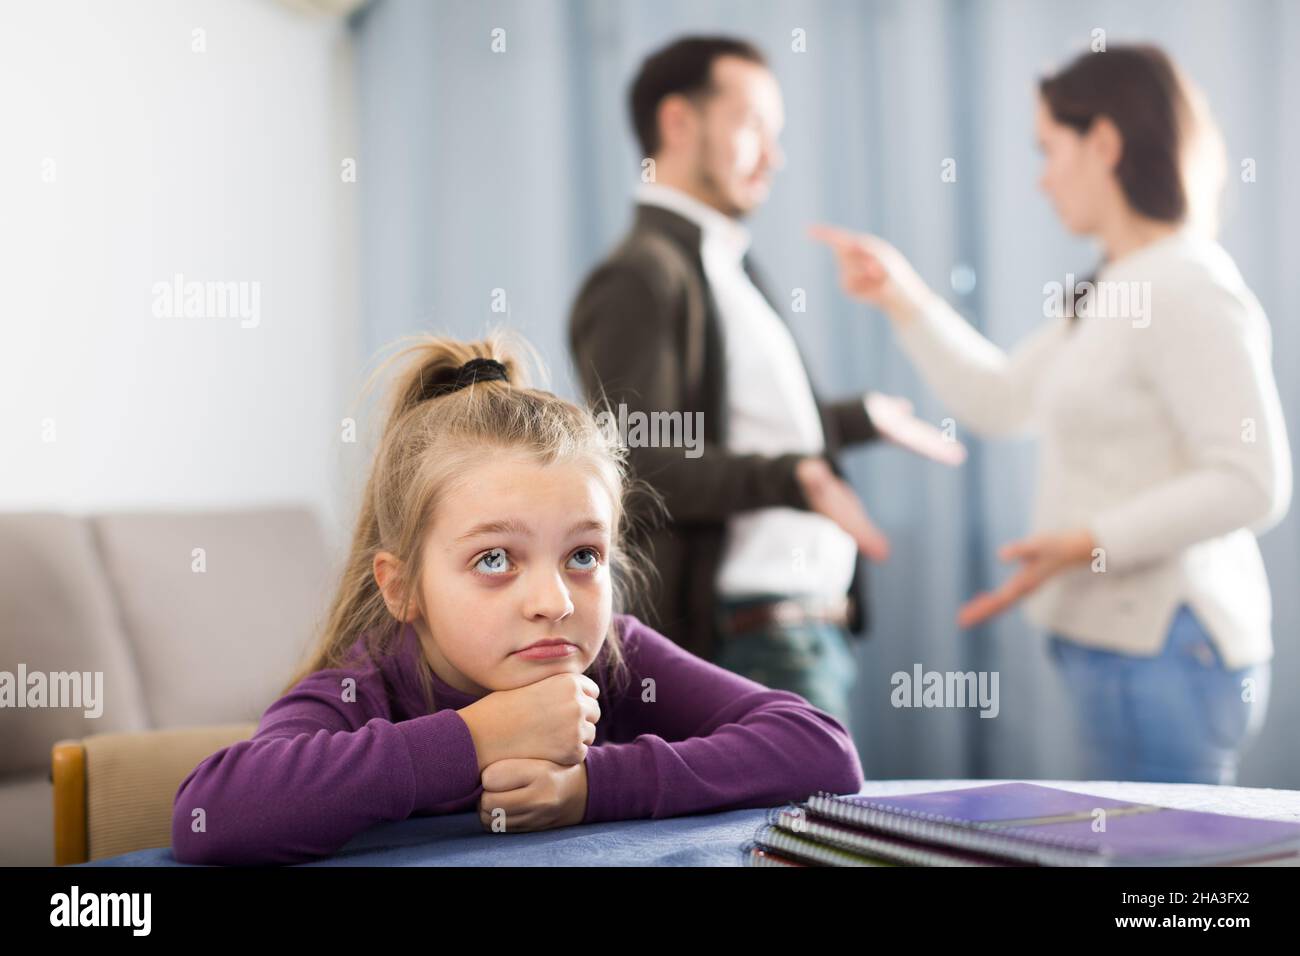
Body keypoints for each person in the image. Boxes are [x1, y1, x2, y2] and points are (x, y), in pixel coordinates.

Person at [170, 330, 863, 865]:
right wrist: (478, 737)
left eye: (583, 556)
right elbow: (214, 815)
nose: (553, 600)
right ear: (402, 586)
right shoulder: (365, 687)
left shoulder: (616, 658)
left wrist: (594, 787)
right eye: (495, 559)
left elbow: (822, 750)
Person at [813, 44, 1290, 784]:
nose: (1040, 178)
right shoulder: (1115, 288)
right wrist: (900, 296)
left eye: (1048, 150)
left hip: (1164, 649)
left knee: (1163, 896)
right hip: (1121, 652)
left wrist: (1089, 541)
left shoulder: (1186, 285)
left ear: (1104, 142)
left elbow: (1253, 480)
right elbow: (1000, 400)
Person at [568, 35, 963, 726]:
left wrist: (856, 420)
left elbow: (723, 428)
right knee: (797, 838)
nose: (773, 157)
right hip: (745, 640)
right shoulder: (642, 275)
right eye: (752, 126)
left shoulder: (725, 265)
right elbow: (636, 464)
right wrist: (797, 477)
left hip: (801, 633)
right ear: (679, 123)